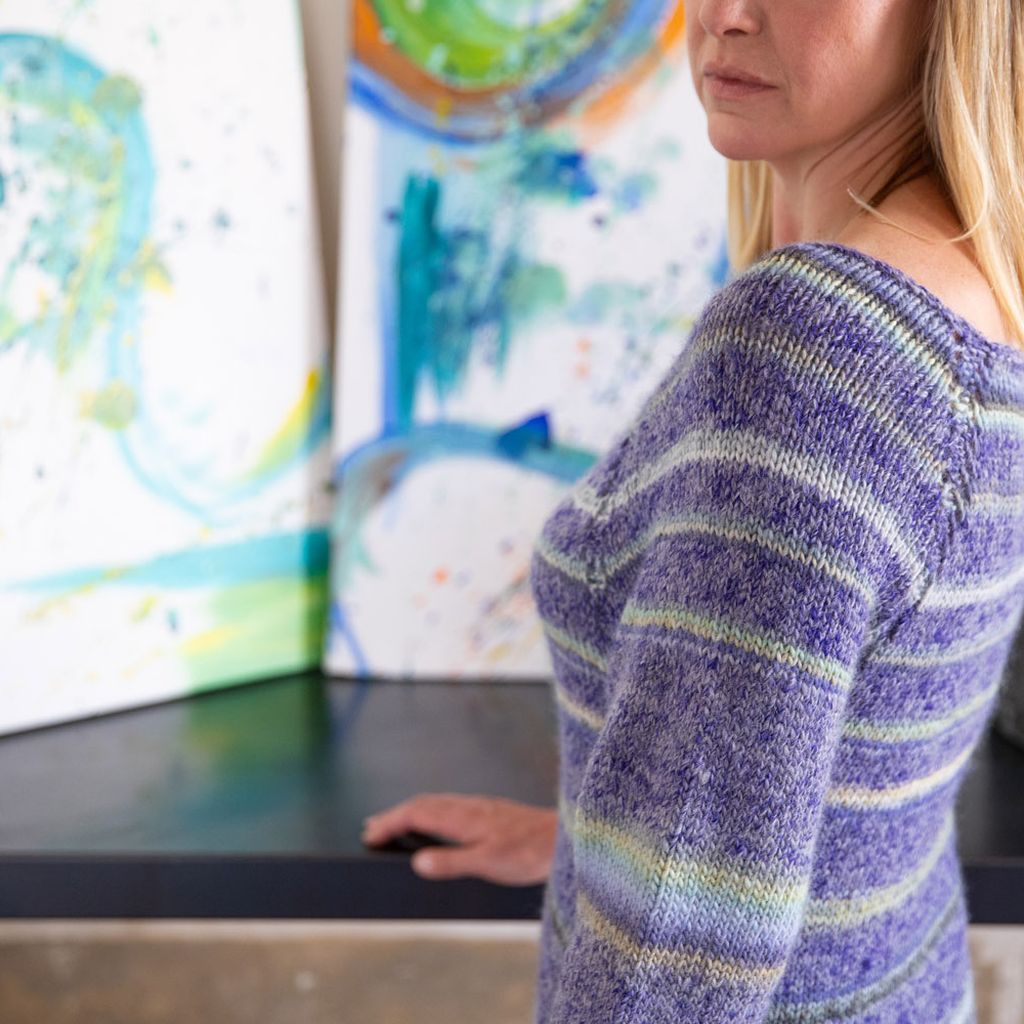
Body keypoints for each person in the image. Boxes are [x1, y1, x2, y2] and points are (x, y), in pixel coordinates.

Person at [363, 0, 1024, 1020]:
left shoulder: (809, 352)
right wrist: (604, 840)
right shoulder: (974, 285)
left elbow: (669, 976)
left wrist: (663, 889)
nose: (719, 14)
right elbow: (863, 759)